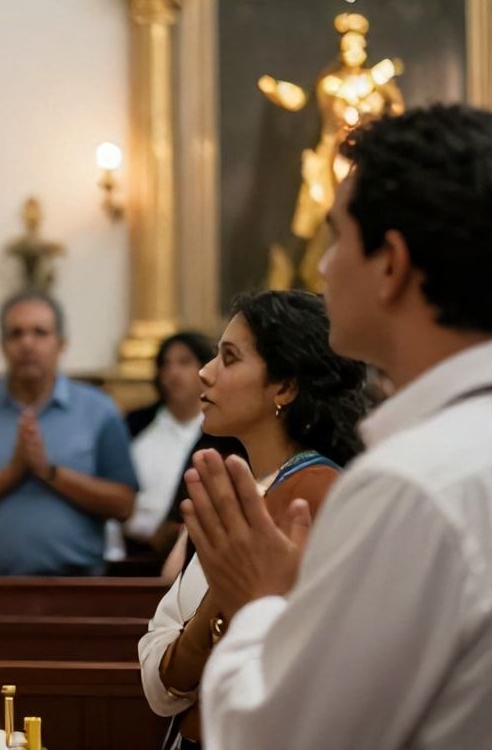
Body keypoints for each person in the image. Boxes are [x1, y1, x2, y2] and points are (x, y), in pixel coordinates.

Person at [186, 105, 492, 750]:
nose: (321, 268)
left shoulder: (413, 488)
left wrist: (257, 600)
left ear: (392, 264)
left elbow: (276, 736)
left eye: (336, 237)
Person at [138, 292, 367, 749]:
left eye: (229, 358)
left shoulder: (314, 495)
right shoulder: (247, 487)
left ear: (283, 387)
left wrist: (207, 624)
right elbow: (162, 679)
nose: (205, 372)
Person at [0, 292, 139, 576]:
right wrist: (11, 474)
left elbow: (124, 505)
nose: (27, 343)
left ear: (61, 343)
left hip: (79, 589)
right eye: (16, 334)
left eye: (40, 332)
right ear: (2, 345)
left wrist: (49, 472)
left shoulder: (100, 410)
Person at [117, 332, 217, 558]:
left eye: (184, 362)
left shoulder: (219, 430)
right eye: (166, 364)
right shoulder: (136, 423)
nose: (173, 372)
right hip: (132, 552)